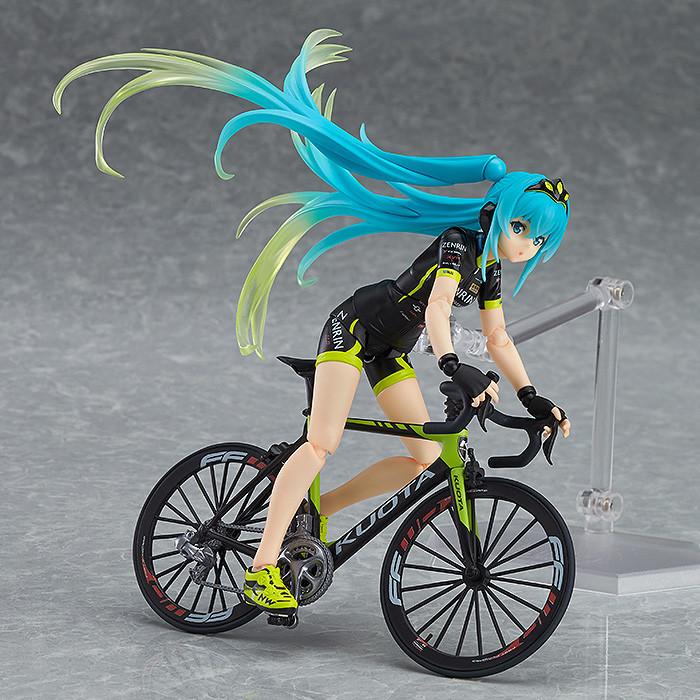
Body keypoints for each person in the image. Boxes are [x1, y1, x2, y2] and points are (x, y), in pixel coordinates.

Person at [54, 29, 572, 615]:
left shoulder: (490, 269)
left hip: (389, 349)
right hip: (354, 329)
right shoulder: (458, 243)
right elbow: (435, 309)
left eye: (539, 240)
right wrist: (453, 366)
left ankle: (317, 510)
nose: (526, 244)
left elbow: (498, 336)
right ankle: (260, 568)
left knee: (425, 457)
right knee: (321, 442)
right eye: (522, 228)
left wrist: (533, 397)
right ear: (497, 212)